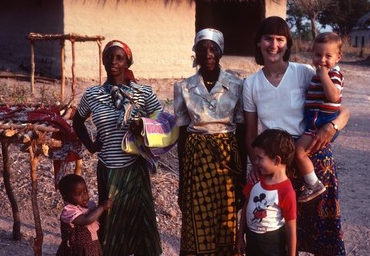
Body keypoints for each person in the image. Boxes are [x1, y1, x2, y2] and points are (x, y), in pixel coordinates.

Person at [243, 16, 349, 256]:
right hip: (275, 166)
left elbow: (341, 108)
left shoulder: (303, 72)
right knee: (280, 233)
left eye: (280, 39)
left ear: (287, 43)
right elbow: (250, 133)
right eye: (268, 38)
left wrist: (333, 126)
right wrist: (257, 165)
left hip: (312, 158)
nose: (273, 45)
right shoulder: (251, 84)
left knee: (323, 227)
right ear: (259, 43)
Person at [72, 40, 163, 256]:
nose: (113, 61)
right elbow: (77, 122)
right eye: (109, 57)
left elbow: (163, 122)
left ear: (127, 62)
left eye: (119, 57)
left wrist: (142, 126)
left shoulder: (143, 93)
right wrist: (91, 146)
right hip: (109, 168)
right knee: (112, 219)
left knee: (139, 218)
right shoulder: (93, 94)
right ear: (102, 60)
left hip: (135, 167)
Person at [174, 28, 245, 255]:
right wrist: (182, 181)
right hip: (196, 158)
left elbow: (241, 131)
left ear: (220, 51)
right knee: (196, 213)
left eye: (213, 48)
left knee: (227, 214)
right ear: (195, 52)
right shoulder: (183, 87)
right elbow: (182, 134)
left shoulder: (236, 85)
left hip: (226, 157)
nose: (208, 53)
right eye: (202, 48)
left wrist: (242, 175)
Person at [295, 32, 344, 203]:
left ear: (338, 57)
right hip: (316, 120)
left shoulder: (333, 75)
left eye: (328, 56)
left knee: (299, 151)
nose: (322, 60)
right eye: (318, 55)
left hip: (321, 122)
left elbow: (334, 97)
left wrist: (324, 76)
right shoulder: (316, 74)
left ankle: (313, 184)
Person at [237, 129, 296, 256]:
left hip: (273, 244)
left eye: (259, 158)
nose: (256, 162)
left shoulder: (286, 191)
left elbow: (291, 228)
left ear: (276, 160)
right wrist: (240, 236)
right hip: (252, 241)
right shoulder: (255, 180)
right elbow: (245, 207)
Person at [56, 174, 112, 256]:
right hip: (76, 250)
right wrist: (102, 207)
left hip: (91, 247)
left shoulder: (89, 206)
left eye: (85, 191)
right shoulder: (69, 211)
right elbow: (87, 219)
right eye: (78, 194)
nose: (84, 196)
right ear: (66, 197)